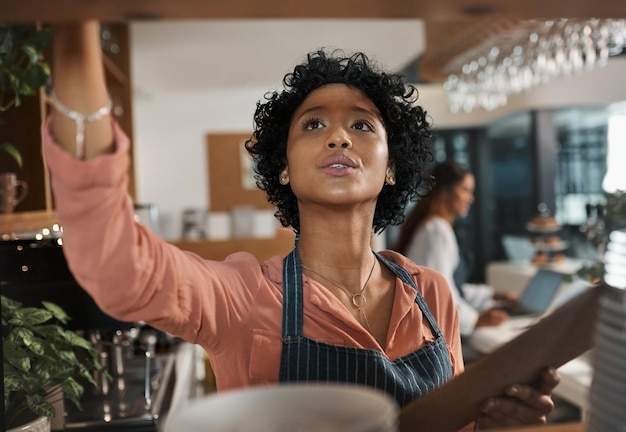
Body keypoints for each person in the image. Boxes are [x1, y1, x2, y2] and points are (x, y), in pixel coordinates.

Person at [44, 21, 558, 431]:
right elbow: (117, 268)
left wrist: (490, 422)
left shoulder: (431, 294)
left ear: (392, 166)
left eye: (361, 124)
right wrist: (75, 31)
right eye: (313, 124)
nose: (338, 136)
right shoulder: (243, 298)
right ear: (284, 167)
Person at [394, 161, 518, 338]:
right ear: (445, 191)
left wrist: (498, 296)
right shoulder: (437, 231)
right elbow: (437, 294)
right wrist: (476, 320)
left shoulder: (432, 227)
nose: (471, 198)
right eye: (465, 190)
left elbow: (453, 287)